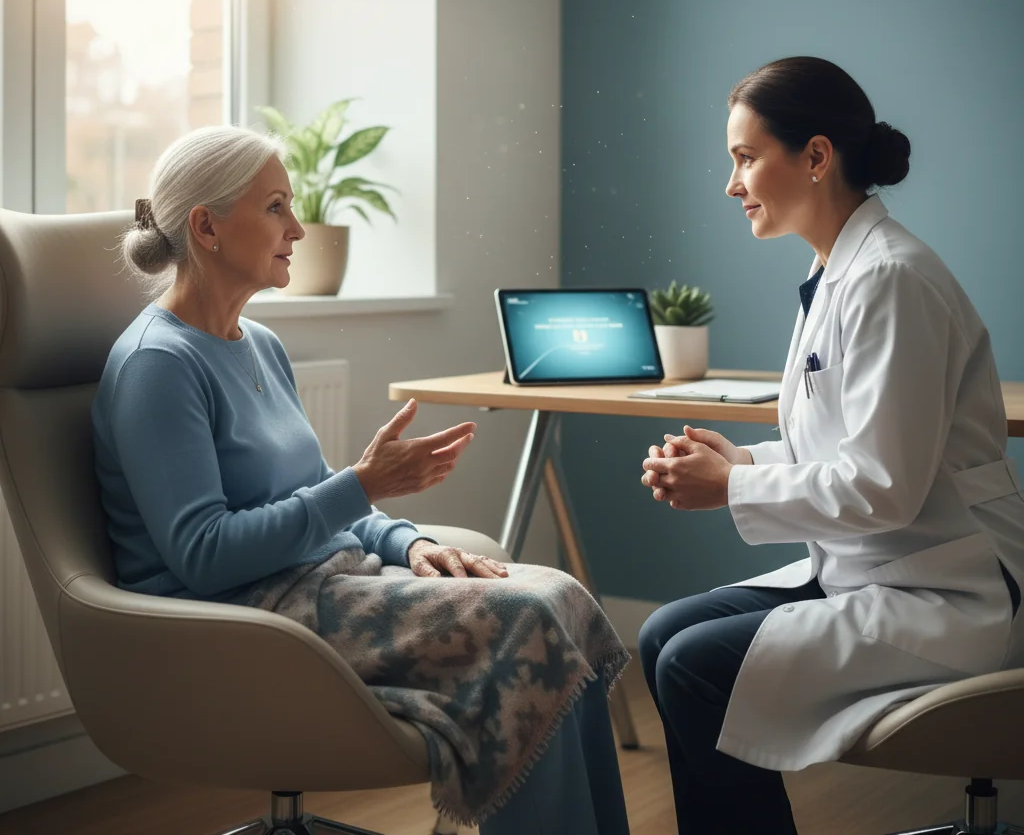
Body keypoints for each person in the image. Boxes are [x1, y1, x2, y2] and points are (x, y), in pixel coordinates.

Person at [92, 125, 630, 835]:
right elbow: (204, 555)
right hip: (243, 622)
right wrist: (363, 486)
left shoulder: (261, 343)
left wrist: (404, 541)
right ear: (206, 226)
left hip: (317, 585)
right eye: (277, 207)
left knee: (556, 592)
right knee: (525, 621)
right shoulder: (157, 365)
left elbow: (318, 493)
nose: (298, 229)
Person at [637, 56, 1024, 834]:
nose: (731, 182)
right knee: (660, 633)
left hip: (950, 594)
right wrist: (739, 463)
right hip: (875, 569)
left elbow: (884, 485)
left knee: (693, 665)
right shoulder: (836, 271)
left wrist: (730, 490)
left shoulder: (890, 279)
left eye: (745, 158)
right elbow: (844, 447)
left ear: (815, 157)